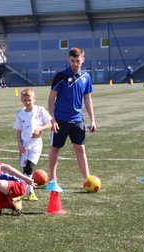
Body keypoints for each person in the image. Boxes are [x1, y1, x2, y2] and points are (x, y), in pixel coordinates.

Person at [48, 47, 96, 187]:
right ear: (69, 60)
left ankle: (87, 179)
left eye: (77, 61)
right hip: (60, 120)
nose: (75, 63)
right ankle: (53, 179)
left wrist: (92, 118)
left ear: (83, 60)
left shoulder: (86, 77)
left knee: (80, 149)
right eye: (72, 61)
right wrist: (53, 119)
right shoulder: (61, 76)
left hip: (77, 120)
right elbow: (51, 98)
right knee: (55, 148)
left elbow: (88, 99)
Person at [13, 88, 52, 201]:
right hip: (25, 144)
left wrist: (40, 129)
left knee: (30, 166)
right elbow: (18, 131)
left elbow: (50, 123)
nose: (27, 102)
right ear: (22, 100)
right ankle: (25, 192)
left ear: (34, 99)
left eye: (29, 100)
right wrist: (19, 145)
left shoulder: (40, 110)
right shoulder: (20, 114)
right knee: (25, 169)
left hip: (36, 144)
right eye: (25, 100)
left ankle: (30, 192)